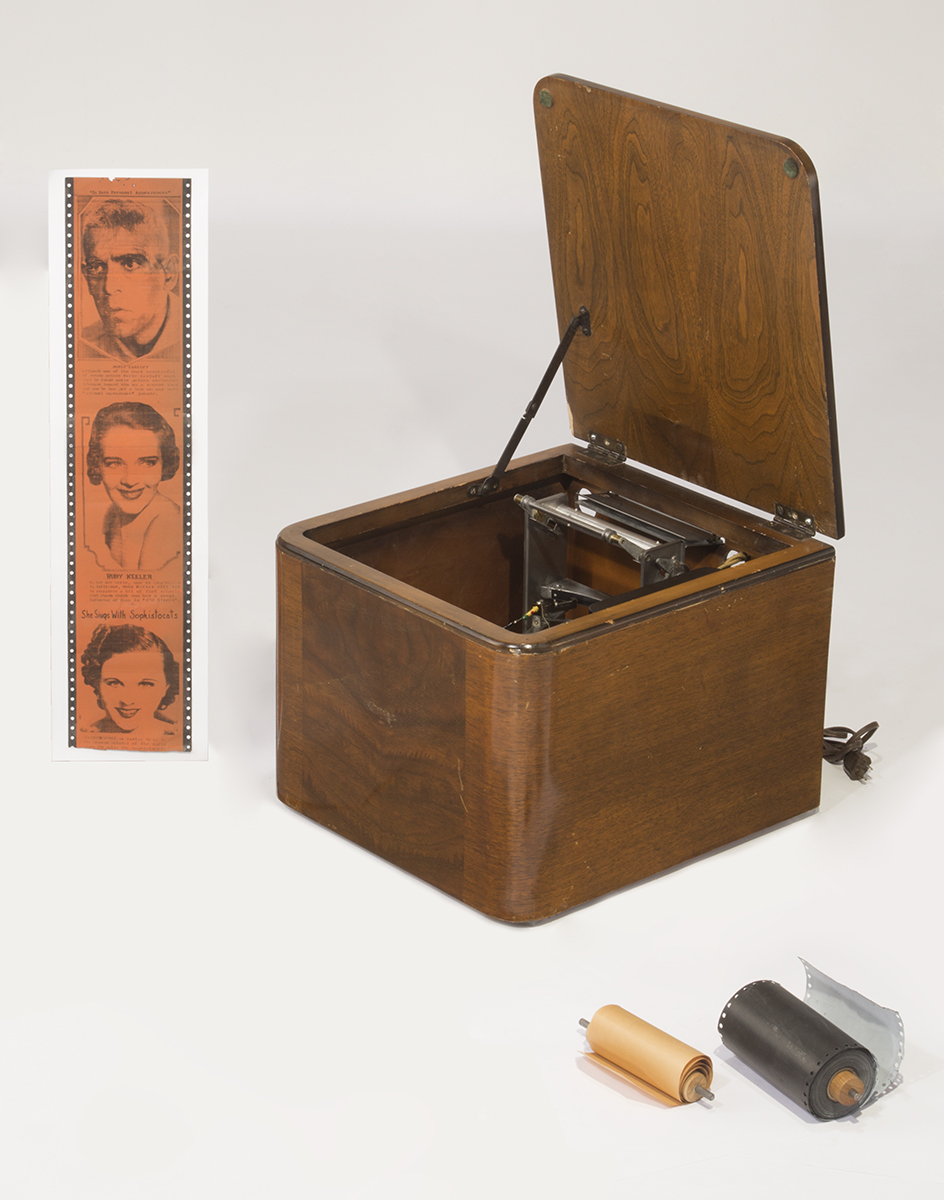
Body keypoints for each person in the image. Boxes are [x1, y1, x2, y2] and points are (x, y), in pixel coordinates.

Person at [79, 198, 181, 361]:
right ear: (86, 276)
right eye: (96, 267)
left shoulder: (196, 332)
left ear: (169, 274)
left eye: (130, 264)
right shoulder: (83, 345)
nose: (109, 287)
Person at [85, 402, 181, 572]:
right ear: (97, 465)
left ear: (164, 464)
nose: (129, 480)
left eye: (146, 463)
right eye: (114, 463)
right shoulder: (110, 518)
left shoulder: (167, 522)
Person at [80, 624, 179, 741]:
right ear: (97, 684)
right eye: (114, 683)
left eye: (145, 684)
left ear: (165, 688)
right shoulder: (83, 735)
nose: (127, 701)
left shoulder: (177, 737)